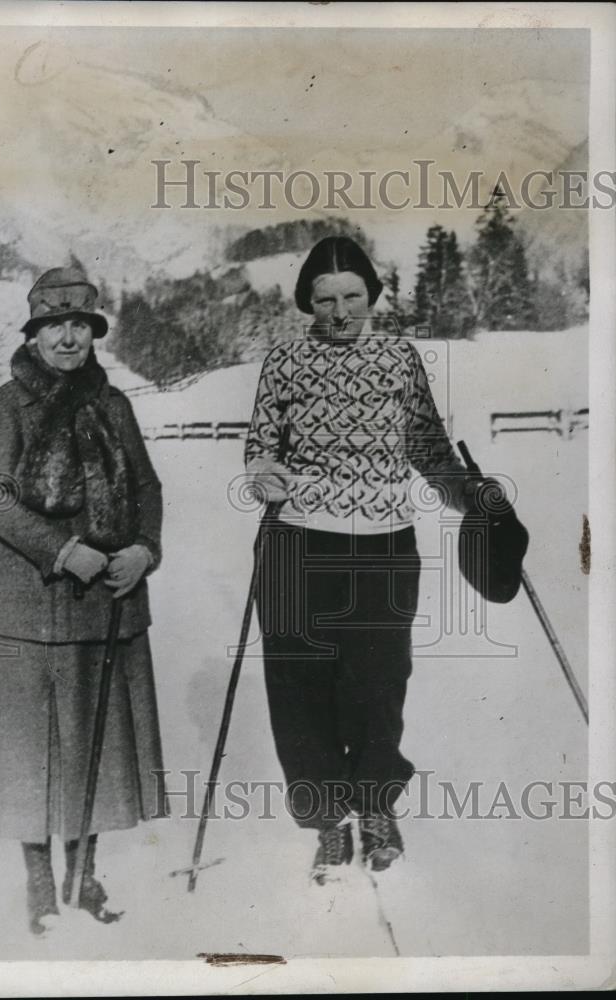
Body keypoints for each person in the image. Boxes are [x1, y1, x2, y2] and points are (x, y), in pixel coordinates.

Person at [245, 236, 474, 884]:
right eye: (325, 300)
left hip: (382, 542)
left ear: (371, 295)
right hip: (296, 540)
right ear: (307, 303)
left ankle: (374, 807)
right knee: (299, 687)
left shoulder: (399, 358)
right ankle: (326, 819)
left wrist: (470, 496)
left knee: (377, 685)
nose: (340, 311)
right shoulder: (285, 360)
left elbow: (428, 445)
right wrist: (263, 472)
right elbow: (261, 444)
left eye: (352, 297)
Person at [0, 266, 167, 935]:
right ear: (34, 332)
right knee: (31, 747)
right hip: (27, 603)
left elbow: (150, 489)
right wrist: (63, 549)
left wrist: (144, 549)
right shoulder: (6, 405)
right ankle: (41, 884)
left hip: (106, 602)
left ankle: (85, 874)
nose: (69, 338)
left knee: (95, 744)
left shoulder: (115, 405)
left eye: (81, 325)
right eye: (55, 326)